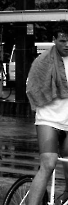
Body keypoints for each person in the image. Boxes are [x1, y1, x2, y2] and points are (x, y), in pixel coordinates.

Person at [25, 21, 68, 205]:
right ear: (54, 40)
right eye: (62, 40)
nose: (67, 45)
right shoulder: (42, 62)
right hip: (48, 118)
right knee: (49, 163)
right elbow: (32, 88)